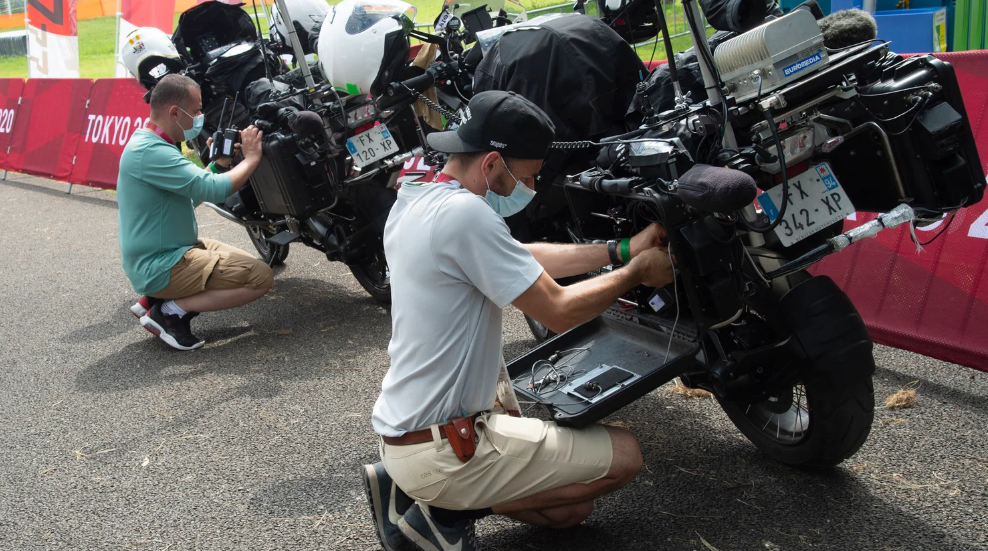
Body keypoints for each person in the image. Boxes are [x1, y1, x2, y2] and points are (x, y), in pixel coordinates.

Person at [362, 91, 675, 551]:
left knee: (569, 512)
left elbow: (520, 258)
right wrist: (635, 274)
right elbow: (560, 310)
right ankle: (439, 510)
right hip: (447, 445)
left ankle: (412, 488)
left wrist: (620, 249)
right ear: (491, 164)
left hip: (406, 433)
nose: (534, 181)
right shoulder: (466, 215)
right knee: (625, 456)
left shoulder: (419, 196)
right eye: (528, 172)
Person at [117, 74, 272, 351]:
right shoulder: (151, 152)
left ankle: (156, 298)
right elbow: (213, 190)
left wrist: (218, 164)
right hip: (161, 264)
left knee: (248, 266)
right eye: (197, 110)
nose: (200, 117)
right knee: (259, 278)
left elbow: (191, 195)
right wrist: (251, 158)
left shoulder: (150, 143)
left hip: (172, 250)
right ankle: (169, 311)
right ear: (174, 112)